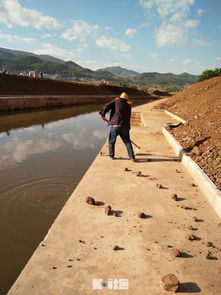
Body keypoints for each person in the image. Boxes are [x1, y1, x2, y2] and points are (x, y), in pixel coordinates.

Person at [99, 92, 135, 161]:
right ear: (127, 100)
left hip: (115, 125)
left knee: (111, 141)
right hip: (125, 126)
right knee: (127, 141)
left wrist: (103, 115)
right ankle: (132, 157)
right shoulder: (128, 105)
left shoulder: (116, 101)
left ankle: (111, 155)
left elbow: (106, 106)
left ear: (120, 97)